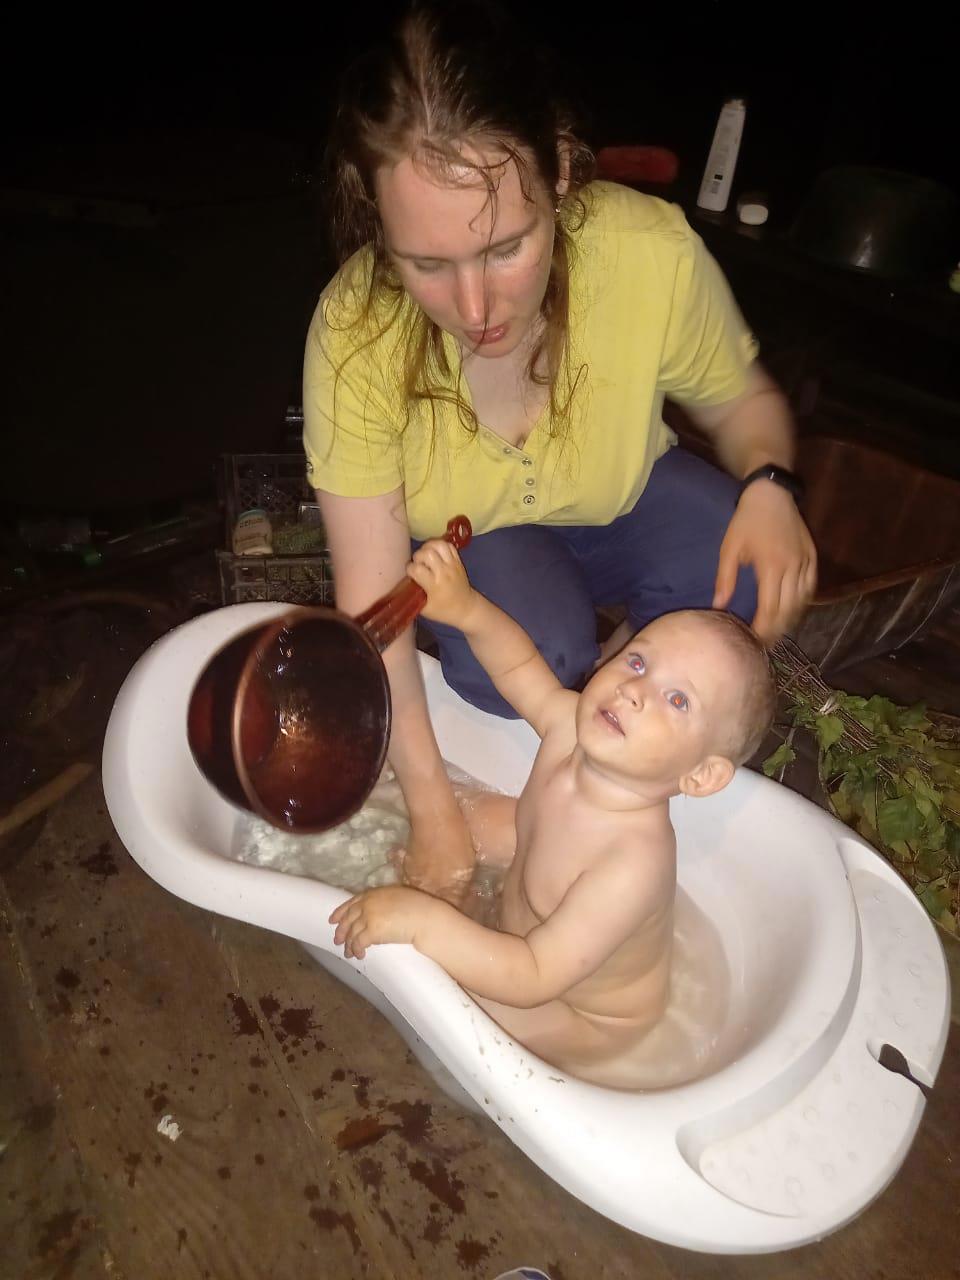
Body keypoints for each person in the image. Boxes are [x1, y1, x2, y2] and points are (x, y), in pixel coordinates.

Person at [304, 0, 815, 898]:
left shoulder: (647, 250)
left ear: (563, 174)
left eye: (506, 246)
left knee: (733, 563)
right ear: (376, 225)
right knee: (536, 647)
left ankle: (625, 743)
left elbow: (744, 401)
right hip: (480, 548)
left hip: (626, 498)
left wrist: (773, 484)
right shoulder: (355, 331)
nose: (475, 309)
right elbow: (375, 609)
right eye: (427, 264)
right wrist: (432, 809)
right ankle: (548, 745)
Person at [330, 539, 776, 1087]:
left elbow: (533, 973)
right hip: (526, 925)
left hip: (576, 1012)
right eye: (638, 661)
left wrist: (426, 923)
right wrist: (467, 608)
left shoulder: (629, 866)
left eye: (678, 699)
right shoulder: (570, 726)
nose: (635, 690)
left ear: (700, 776)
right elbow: (520, 666)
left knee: (450, 1001)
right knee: (446, 811)